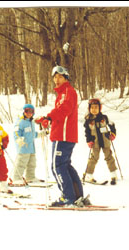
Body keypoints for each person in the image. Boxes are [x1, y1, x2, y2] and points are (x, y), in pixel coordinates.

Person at [36, 65, 89, 207]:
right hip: (63, 135)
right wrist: (47, 118)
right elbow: (59, 111)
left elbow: (64, 109)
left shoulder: (68, 92)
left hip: (63, 136)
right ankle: (77, 195)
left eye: (60, 77)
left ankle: (67, 197)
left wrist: (50, 118)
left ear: (66, 78)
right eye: (55, 77)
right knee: (65, 165)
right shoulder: (62, 93)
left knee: (57, 166)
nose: (56, 80)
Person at [83, 98, 119, 185]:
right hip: (95, 142)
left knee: (109, 156)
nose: (94, 110)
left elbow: (112, 124)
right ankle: (88, 175)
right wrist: (89, 141)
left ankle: (113, 174)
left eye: (96, 107)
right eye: (92, 108)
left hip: (105, 141)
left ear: (100, 108)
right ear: (89, 109)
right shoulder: (88, 120)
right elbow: (87, 132)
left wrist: (112, 133)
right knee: (94, 158)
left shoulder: (104, 118)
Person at [11, 104, 43, 186]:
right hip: (24, 146)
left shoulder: (31, 122)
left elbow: (32, 134)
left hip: (31, 147)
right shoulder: (20, 121)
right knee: (21, 163)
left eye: (31, 112)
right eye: (26, 111)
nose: (28, 113)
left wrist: (40, 134)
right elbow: (16, 132)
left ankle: (30, 177)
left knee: (32, 163)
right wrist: (19, 139)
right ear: (24, 112)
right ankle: (16, 178)